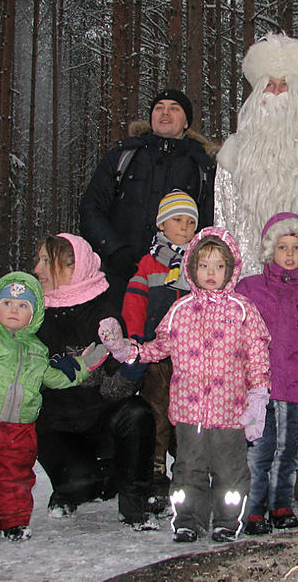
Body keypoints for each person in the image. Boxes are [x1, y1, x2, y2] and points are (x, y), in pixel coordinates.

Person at [107, 227, 271, 543]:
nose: (211, 273)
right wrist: (129, 351)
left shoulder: (243, 310)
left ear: (231, 268)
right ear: (192, 267)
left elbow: (258, 358)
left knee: (231, 472)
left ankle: (226, 520)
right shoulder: (180, 311)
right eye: (204, 265)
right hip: (188, 412)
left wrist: (257, 398)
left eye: (219, 266)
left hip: (231, 413)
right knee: (188, 470)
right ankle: (188, 519)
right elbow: (158, 347)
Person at [0, 272, 109, 546]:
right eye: (8, 303)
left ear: (34, 314)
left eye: (23, 305)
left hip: (20, 428)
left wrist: (84, 366)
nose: (14, 310)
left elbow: (55, 377)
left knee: (16, 477)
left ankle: (13, 521)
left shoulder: (37, 348)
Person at [33, 233, 157, 530]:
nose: (36, 269)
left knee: (138, 412)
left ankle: (134, 503)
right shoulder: (33, 312)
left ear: (72, 267)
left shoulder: (103, 314)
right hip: (57, 426)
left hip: (99, 421)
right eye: (38, 260)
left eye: (46, 261)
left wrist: (130, 369)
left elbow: (114, 392)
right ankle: (80, 483)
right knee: (80, 484)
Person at [215, 32, 298, 278]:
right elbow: (223, 222)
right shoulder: (234, 154)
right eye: (270, 85)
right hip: (248, 284)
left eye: (285, 85)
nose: (277, 93)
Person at [234, 212, 298, 534]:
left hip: (294, 389)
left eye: (296, 247)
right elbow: (234, 337)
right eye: (282, 247)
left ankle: (281, 505)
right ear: (269, 250)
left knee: (289, 452)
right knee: (259, 452)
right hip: (258, 390)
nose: (289, 255)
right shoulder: (248, 289)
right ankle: (254, 509)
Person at [80, 89, 216, 307]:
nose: (165, 113)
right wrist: (114, 251)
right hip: (118, 276)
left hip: (177, 279)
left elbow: (209, 224)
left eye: (174, 108)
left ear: (186, 123)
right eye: (159, 108)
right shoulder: (124, 156)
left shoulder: (202, 166)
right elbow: (91, 208)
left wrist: (192, 263)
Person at [121, 189, 198, 502]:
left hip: (190, 355)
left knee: (187, 414)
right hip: (156, 354)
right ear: (162, 225)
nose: (184, 227)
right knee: (157, 410)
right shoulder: (150, 264)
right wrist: (137, 337)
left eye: (190, 222)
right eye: (177, 220)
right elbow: (134, 302)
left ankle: (186, 468)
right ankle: (154, 469)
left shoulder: (200, 263)